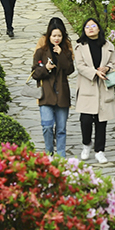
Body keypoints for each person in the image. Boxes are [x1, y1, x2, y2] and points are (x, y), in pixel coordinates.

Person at [73, 18, 115, 164]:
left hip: (104, 88)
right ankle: (86, 144)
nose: (90, 28)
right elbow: (80, 66)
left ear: (99, 29)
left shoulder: (108, 45)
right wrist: (94, 72)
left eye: (93, 26)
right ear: (84, 30)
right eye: (87, 26)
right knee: (85, 120)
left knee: (101, 121)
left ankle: (100, 150)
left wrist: (107, 68)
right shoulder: (80, 46)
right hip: (88, 87)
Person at [31, 17, 74, 157]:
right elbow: (35, 73)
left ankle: (61, 156)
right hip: (46, 94)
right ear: (48, 36)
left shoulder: (66, 51)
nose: (56, 38)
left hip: (62, 94)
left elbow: (69, 70)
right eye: (54, 35)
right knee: (47, 126)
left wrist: (61, 55)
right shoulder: (40, 52)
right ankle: (49, 153)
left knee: (61, 129)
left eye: (59, 36)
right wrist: (47, 68)